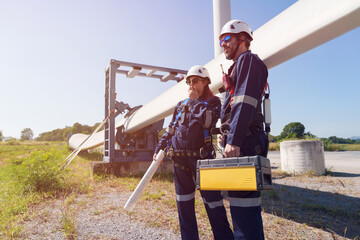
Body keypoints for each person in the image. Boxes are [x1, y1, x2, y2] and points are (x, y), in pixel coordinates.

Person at [153, 65, 234, 240]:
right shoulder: (181, 105)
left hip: (202, 160)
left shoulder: (213, 103)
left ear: (205, 82)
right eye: (189, 82)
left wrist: (195, 101)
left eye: (195, 81)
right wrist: (160, 146)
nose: (191, 84)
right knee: (184, 206)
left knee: (214, 205)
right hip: (179, 161)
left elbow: (208, 122)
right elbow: (171, 129)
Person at [218, 19, 269, 240]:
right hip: (242, 141)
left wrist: (234, 140)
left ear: (243, 39)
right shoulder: (239, 66)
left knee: (245, 210)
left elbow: (245, 102)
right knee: (239, 205)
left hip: (245, 142)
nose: (223, 44)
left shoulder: (248, 60)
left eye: (227, 38)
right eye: (221, 40)